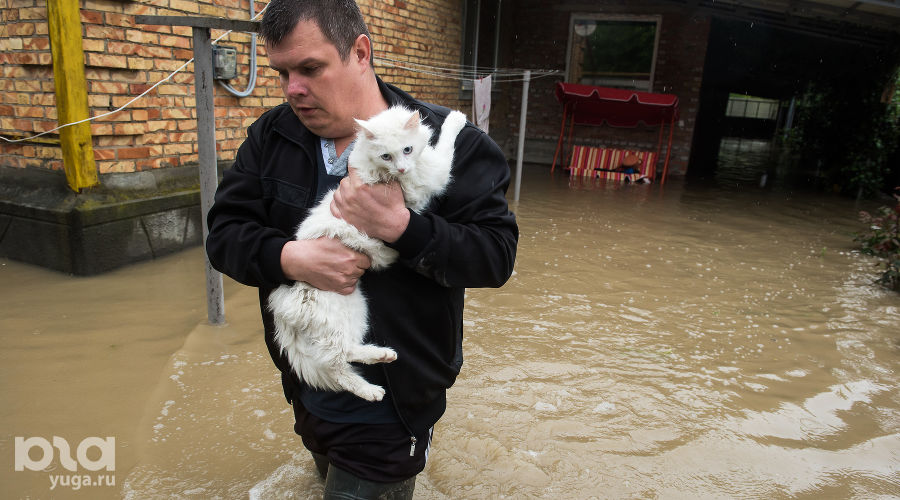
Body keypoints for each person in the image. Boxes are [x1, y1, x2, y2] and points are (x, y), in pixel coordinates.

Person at [205, 0, 518, 498]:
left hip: (396, 401)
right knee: (322, 473)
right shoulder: (272, 136)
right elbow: (223, 233)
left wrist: (401, 226)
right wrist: (291, 259)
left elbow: (497, 255)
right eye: (282, 73)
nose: (294, 91)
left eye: (310, 68)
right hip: (306, 379)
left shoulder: (449, 146)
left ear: (360, 52)